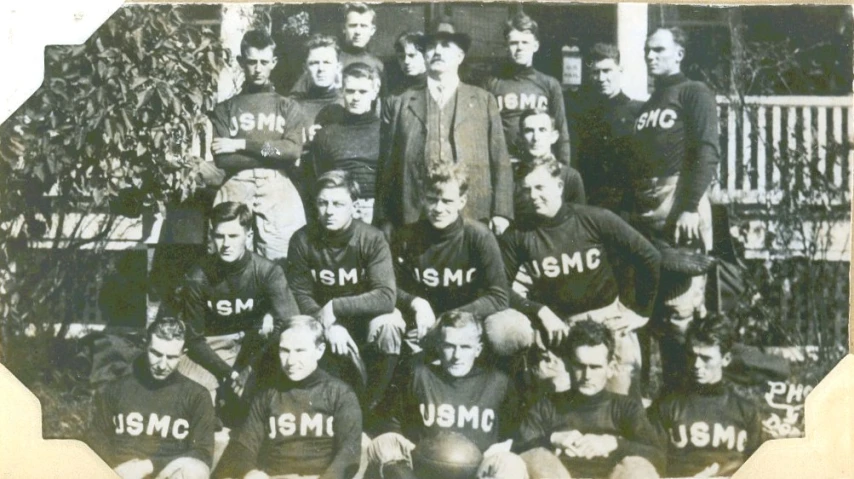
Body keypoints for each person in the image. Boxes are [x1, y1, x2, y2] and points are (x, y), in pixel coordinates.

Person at [497, 156, 661, 396]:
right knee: (558, 402)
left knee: (621, 401)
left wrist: (642, 312)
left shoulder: (593, 218)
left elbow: (650, 256)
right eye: (527, 189)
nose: (533, 196)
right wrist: (538, 310)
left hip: (606, 323)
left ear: (559, 186)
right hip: (560, 329)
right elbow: (498, 287)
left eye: (540, 187)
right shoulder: (519, 234)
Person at [631, 27, 720, 393]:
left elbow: (706, 151)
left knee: (681, 310)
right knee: (652, 313)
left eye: (659, 50)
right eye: (647, 50)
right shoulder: (649, 104)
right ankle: (664, 402)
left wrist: (687, 208)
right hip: (647, 212)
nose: (651, 57)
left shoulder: (693, 92)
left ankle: (690, 397)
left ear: (679, 53)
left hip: (679, 205)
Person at [376, 18, 513, 236]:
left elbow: (500, 160)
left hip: (473, 213)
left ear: (460, 56)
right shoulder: (401, 102)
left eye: (446, 46)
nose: (438, 51)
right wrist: (384, 217)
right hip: (414, 215)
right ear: (424, 55)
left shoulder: (483, 100)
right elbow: (387, 164)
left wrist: (502, 211)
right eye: (431, 47)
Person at [173, 202, 300, 424]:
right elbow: (194, 339)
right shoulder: (198, 276)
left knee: (276, 403)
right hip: (216, 347)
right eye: (219, 236)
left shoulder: (267, 271)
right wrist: (230, 374)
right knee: (191, 401)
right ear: (211, 236)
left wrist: (250, 368)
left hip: (256, 346)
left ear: (248, 235)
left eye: (233, 236)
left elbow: (291, 324)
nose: (226, 244)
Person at [287, 170, 404, 410]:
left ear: (354, 205)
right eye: (323, 203)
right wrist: (327, 323)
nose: (329, 211)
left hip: (362, 318)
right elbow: (299, 293)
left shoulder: (371, 238)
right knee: (293, 328)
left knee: (390, 325)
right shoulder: (302, 239)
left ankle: (375, 405)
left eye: (338, 203)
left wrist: (337, 307)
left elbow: (386, 296)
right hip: (320, 319)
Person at [367, 311, 522, 478]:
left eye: (465, 347)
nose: (457, 356)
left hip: (478, 470)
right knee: (382, 445)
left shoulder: (498, 382)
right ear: (439, 347)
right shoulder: (419, 375)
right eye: (449, 346)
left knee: (510, 463)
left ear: (478, 350)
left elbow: (513, 434)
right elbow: (391, 425)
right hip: (424, 468)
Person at [214, 315, 363, 479]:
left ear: (319, 351)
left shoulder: (340, 393)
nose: (291, 361)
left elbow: (349, 453)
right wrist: (251, 473)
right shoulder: (268, 393)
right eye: (284, 351)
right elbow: (244, 446)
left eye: (300, 351)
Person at [515, 320, 665, 479]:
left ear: (610, 368)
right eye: (580, 366)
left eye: (595, 367)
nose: (587, 376)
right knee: (537, 457)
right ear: (568, 364)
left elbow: (658, 456)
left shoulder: (626, 407)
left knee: (637, 467)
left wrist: (613, 443)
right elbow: (517, 448)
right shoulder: (547, 406)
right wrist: (552, 439)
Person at [209, 29, 307, 262]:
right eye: (252, 61)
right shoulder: (226, 108)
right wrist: (273, 152)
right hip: (236, 185)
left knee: (283, 258)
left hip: (277, 186)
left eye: (264, 62)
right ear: (241, 62)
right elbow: (224, 160)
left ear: (273, 62)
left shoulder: (286, 106)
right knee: (229, 257)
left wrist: (241, 143)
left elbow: (292, 150)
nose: (258, 68)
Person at [391, 165, 509, 352]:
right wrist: (416, 303)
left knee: (507, 329)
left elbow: (499, 296)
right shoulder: (407, 236)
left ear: (461, 202)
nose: (438, 208)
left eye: (447, 201)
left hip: (469, 319)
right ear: (423, 198)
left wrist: (447, 319)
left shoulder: (478, 236)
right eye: (432, 200)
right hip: (422, 323)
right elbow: (388, 287)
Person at [89, 317, 215, 479]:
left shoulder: (197, 396)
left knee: (193, 470)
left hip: (166, 474)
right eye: (156, 354)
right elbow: (96, 437)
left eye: (171, 357)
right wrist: (114, 469)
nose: (162, 365)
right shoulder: (117, 389)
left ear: (182, 355)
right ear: (145, 346)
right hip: (119, 472)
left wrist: (149, 465)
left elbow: (202, 454)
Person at [648, 314, 765, 477]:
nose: (696, 365)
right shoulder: (666, 407)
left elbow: (761, 469)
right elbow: (649, 465)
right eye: (691, 355)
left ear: (726, 359)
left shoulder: (746, 411)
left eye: (706, 358)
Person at [484, 12, 571, 167]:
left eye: (525, 42)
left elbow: (561, 130)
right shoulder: (492, 83)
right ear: (506, 46)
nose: (520, 48)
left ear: (535, 46)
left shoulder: (549, 84)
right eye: (514, 43)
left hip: (541, 166)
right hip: (505, 165)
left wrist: (563, 168)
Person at [570, 43, 643, 212]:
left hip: (626, 204)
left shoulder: (636, 112)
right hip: (590, 201)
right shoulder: (581, 114)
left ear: (620, 69)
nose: (601, 78)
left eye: (607, 71)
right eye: (596, 72)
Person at [311, 62, 382, 225]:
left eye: (363, 92)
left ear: (374, 92)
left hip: (378, 211)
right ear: (342, 91)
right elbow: (318, 181)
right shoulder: (326, 134)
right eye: (350, 91)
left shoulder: (386, 131)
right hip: (337, 210)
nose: (356, 97)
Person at [290, 3, 384, 96]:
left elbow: (383, 102)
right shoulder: (328, 58)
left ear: (372, 30)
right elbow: (297, 95)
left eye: (363, 26)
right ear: (344, 28)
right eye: (353, 25)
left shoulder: (377, 65)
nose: (358, 32)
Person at [514, 110, 586, 216]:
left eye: (542, 130)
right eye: (529, 131)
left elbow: (578, 220)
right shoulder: (513, 174)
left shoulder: (570, 177)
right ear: (520, 137)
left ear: (554, 137)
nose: (536, 138)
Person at [293, 34, 345, 146]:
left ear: (338, 67)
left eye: (327, 63)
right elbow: (271, 150)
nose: (321, 69)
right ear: (305, 68)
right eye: (314, 63)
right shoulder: (292, 107)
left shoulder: (348, 104)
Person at [388, 31, 427, 96]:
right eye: (401, 57)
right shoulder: (395, 93)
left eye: (412, 55)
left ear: (425, 56)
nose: (406, 61)